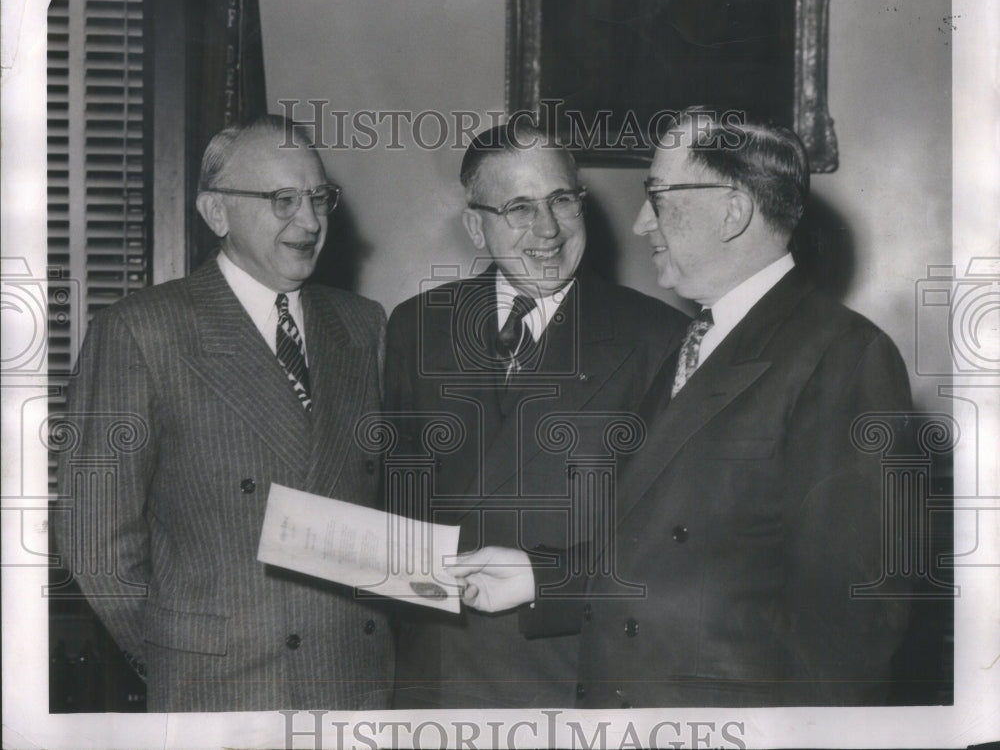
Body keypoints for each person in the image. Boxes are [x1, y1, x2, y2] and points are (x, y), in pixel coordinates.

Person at [454, 109, 915, 707]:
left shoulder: (844, 357)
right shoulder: (697, 340)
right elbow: (668, 546)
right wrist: (539, 577)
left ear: (733, 211)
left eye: (658, 195)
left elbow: (852, 631)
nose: (642, 221)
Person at [54, 115, 393, 711]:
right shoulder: (141, 330)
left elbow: (377, 504)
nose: (310, 222)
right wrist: (183, 649)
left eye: (319, 198)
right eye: (283, 200)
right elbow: (95, 542)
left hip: (353, 682)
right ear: (216, 213)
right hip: (223, 690)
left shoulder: (363, 325)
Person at [386, 123, 688, 708]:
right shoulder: (416, 327)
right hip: (433, 686)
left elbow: (666, 547)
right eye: (520, 208)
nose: (548, 229)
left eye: (562, 200)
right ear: (477, 226)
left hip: (565, 680)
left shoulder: (659, 339)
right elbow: (396, 502)